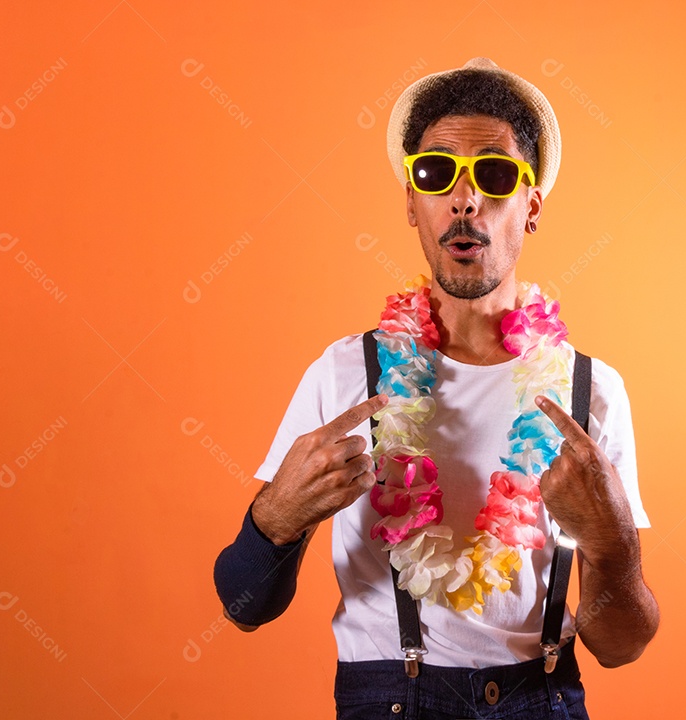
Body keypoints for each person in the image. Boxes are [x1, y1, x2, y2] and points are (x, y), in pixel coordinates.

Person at [213, 57, 659, 719]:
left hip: (543, 700)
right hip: (390, 702)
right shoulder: (345, 376)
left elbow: (619, 648)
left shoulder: (589, 393)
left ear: (531, 206)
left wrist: (613, 546)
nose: (465, 198)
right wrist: (273, 520)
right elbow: (244, 606)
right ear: (412, 203)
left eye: (496, 175)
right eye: (435, 173)